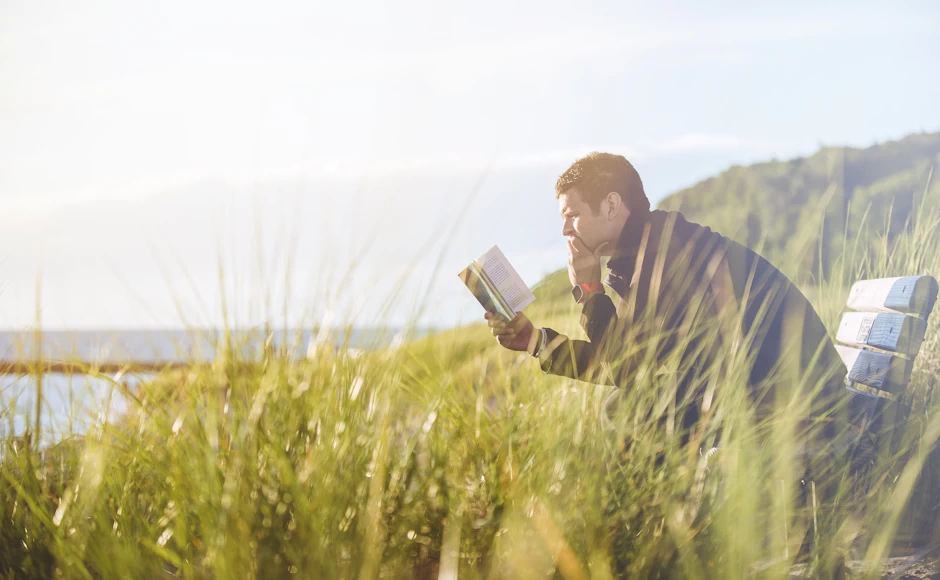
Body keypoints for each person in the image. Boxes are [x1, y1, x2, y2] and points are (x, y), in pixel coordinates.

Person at [485, 152, 849, 464]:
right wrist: (535, 340)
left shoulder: (665, 253)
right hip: (771, 394)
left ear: (611, 205)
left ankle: (669, 535)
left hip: (800, 408)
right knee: (628, 404)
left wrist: (591, 290)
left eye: (572, 214)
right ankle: (668, 529)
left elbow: (625, 366)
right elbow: (628, 363)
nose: (565, 229)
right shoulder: (648, 248)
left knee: (626, 410)